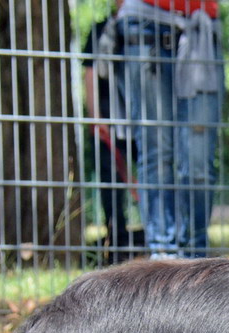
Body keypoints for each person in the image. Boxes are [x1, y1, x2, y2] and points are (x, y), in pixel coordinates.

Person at [118, 0, 223, 259]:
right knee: (156, 152)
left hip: (201, 28)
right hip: (144, 27)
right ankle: (163, 257)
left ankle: (196, 258)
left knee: (198, 160)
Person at [82, 1, 139, 264]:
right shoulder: (100, 31)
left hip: (142, 121)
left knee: (153, 180)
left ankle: (157, 240)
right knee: (111, 185)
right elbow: (90, 74)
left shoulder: (146, 27)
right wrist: (96, 118)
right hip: (109, 119)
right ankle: (116, 245)